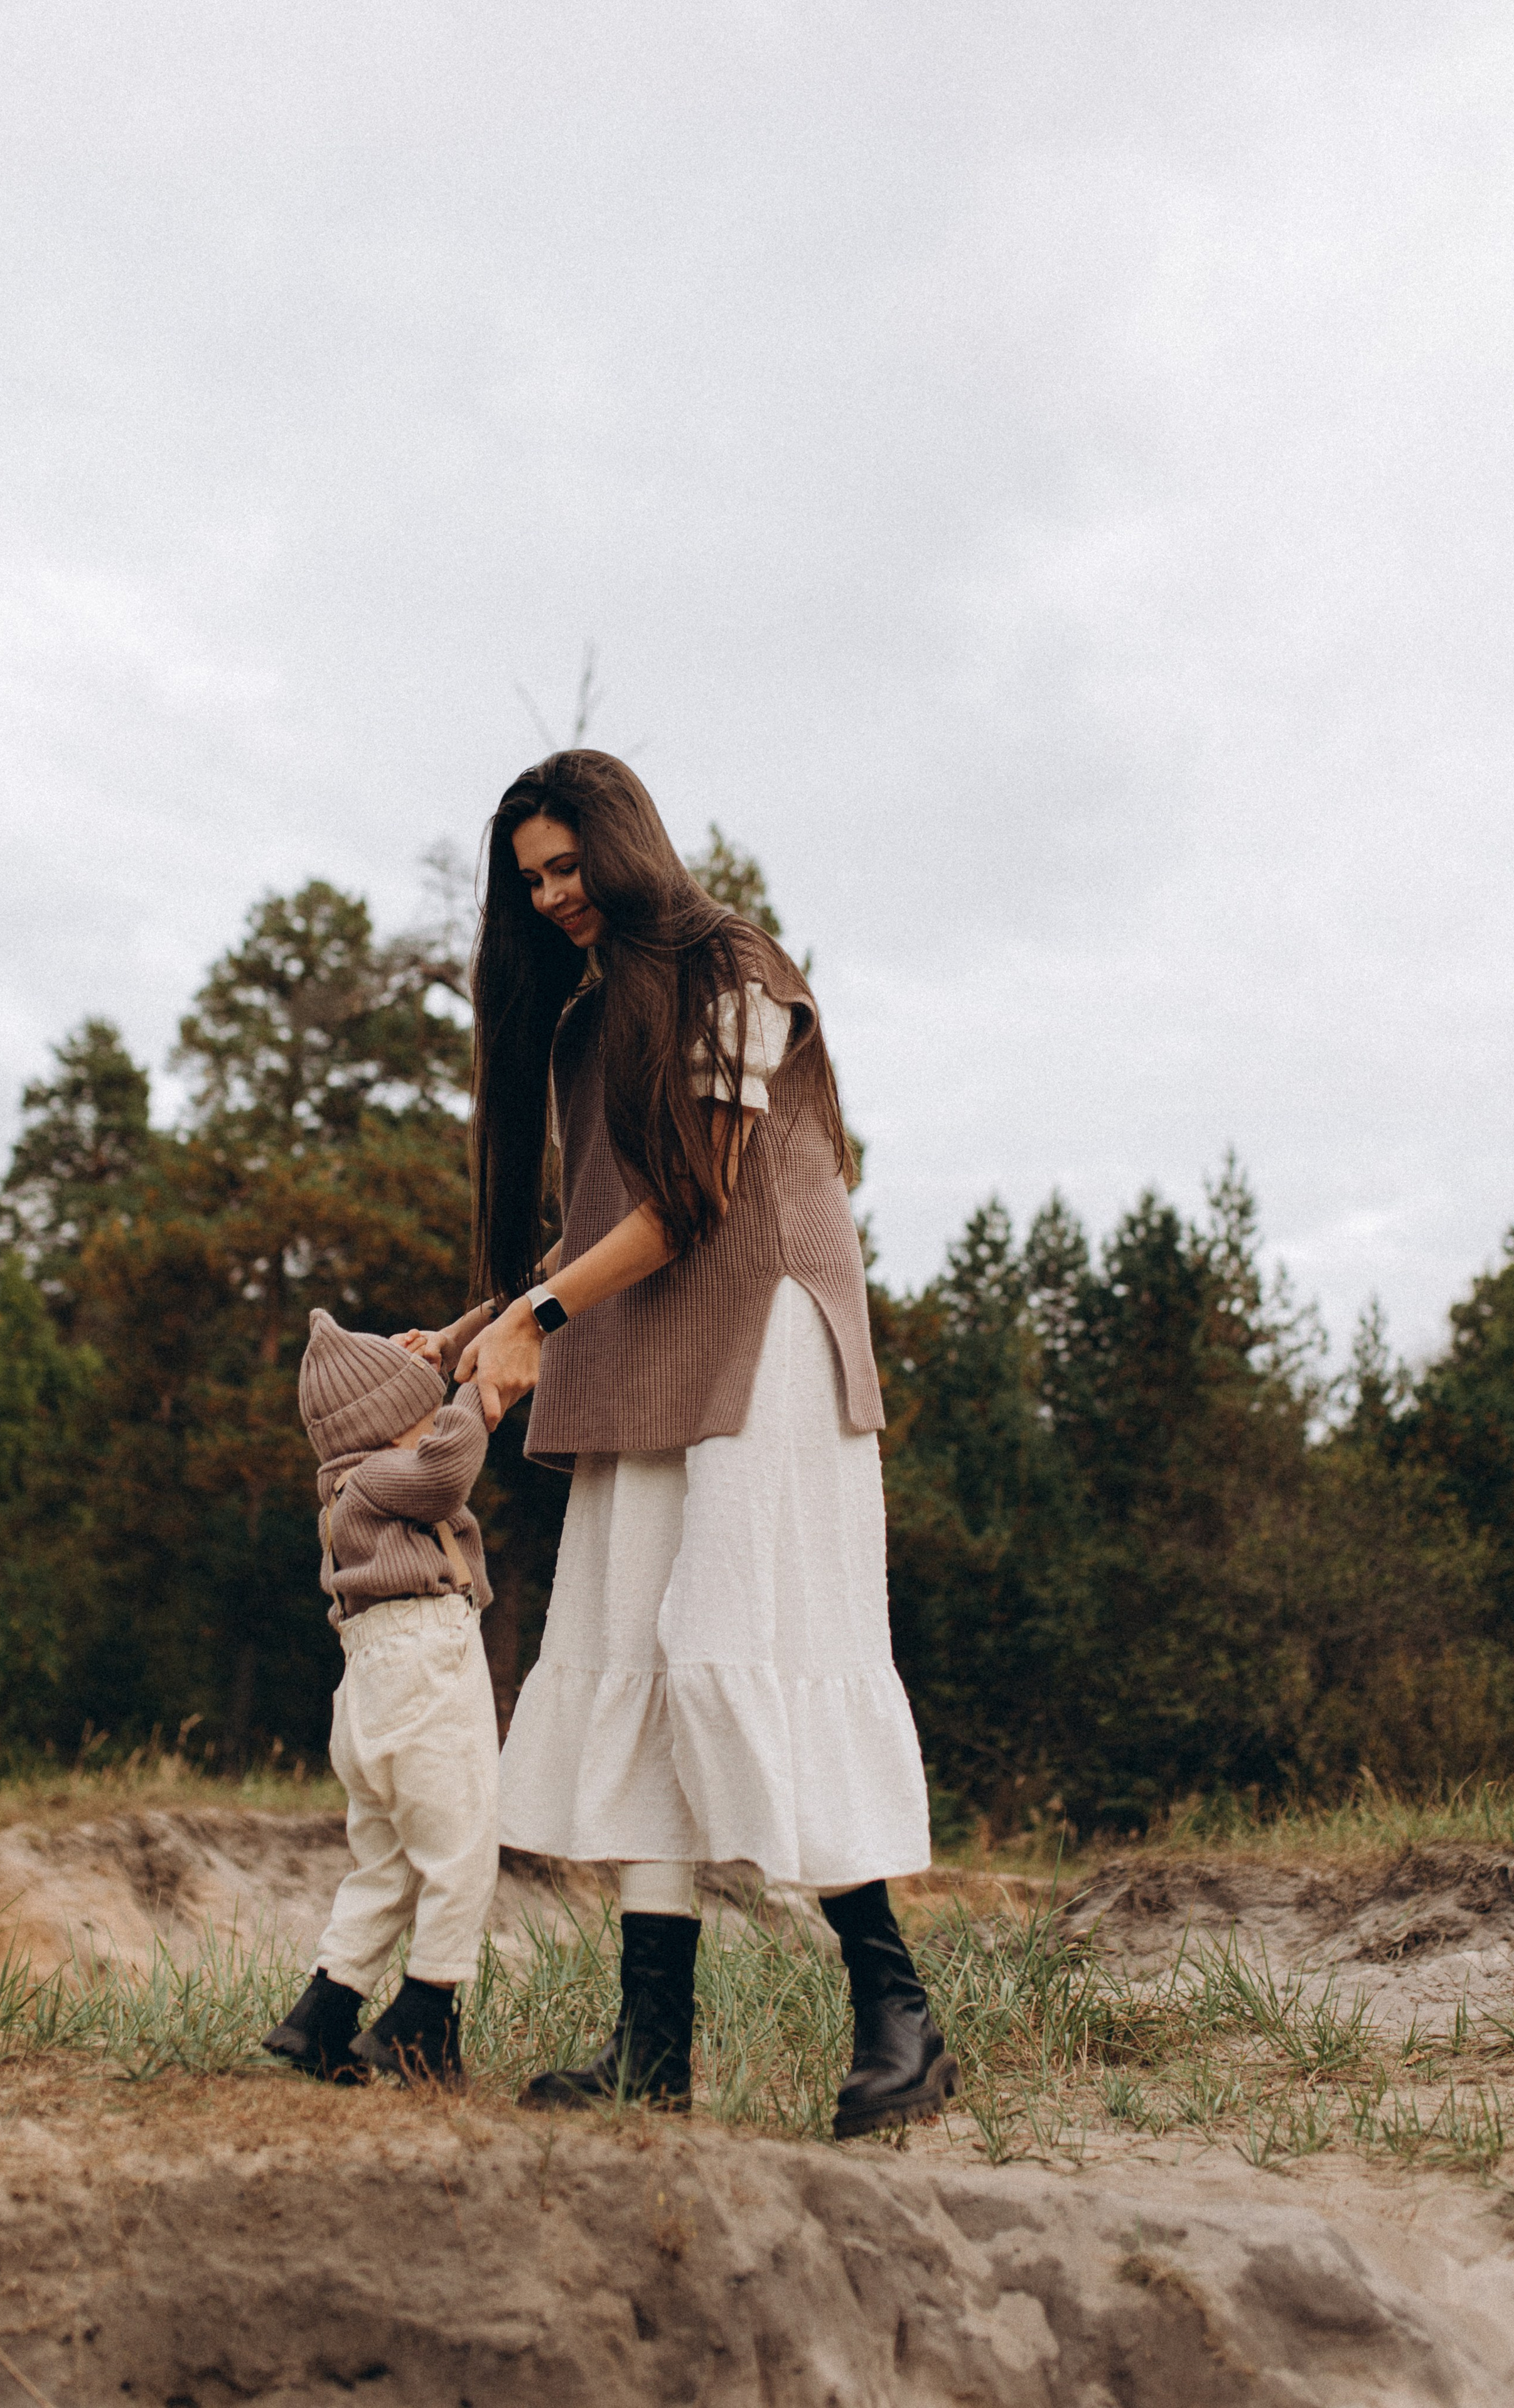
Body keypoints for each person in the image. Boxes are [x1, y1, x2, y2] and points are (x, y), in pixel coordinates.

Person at [407, 749, 957, 2139]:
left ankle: (899, 2015)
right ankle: (653, 2050)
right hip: (647, 1344)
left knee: (741, 1644)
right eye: (528, 881)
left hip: (761, 1339)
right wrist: (479, 1323)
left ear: (621, 841)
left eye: (564, 864)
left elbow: (700, 1193)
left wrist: (535, 1316)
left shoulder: (732, 966)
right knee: (648, 1669)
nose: (550, 896)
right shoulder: (589, 1028)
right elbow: (606, 1227)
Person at [262, 1310, 498, 2085]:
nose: (437, 1424)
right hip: (422, 1661)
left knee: (389, 1861)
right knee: (461, 1846)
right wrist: (472, 1394)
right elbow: (444, 1474)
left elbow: (424, 1450)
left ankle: (325, 2012)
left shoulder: (343, 1485)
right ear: (389, 1427)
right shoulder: (383, 1478)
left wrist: (467, 1336)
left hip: (368, 1682)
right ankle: (425, 2015)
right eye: (424, 1417)